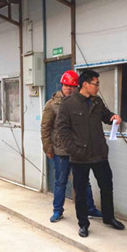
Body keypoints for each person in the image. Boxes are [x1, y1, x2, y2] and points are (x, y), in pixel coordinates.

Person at [56, 69, 125, 238]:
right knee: (80, 192)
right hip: (80, 156)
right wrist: (73, 150)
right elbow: (62, 130)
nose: (98, 87)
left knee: (106, 186)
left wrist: (113, 117)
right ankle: (83, 224)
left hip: (99, 153)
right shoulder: (68, 104)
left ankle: (109, 217)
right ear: (85, 84)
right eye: (96, 83)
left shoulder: (97, 101)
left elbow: (105, 115)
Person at [41, 70, 102, 223]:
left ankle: (90, 208)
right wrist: (48, 147)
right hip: (61, 150)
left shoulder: (83, 102)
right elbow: (45, 127)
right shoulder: (52, 104)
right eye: (66, 86)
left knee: (84, 181)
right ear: (62, 85)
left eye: (72, 86)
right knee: (61, 181)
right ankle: (57, 210)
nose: (69, 89)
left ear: (77, 87)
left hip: (79, 150)